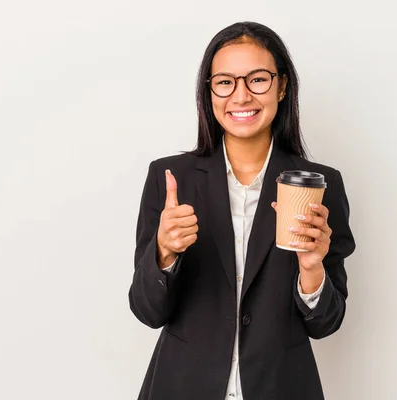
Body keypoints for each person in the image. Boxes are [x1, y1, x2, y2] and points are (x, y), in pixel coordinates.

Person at [128, 21, 356, 400]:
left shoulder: (319, 184)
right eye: (225, 82)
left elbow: (326, 323)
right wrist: (163, 254)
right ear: (209, 92)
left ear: (282, 86)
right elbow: (147, 311)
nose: (241, 96)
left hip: (281, 387)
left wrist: (313, 269)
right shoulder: (170, 179)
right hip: (181, 387)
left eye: (258, 80)